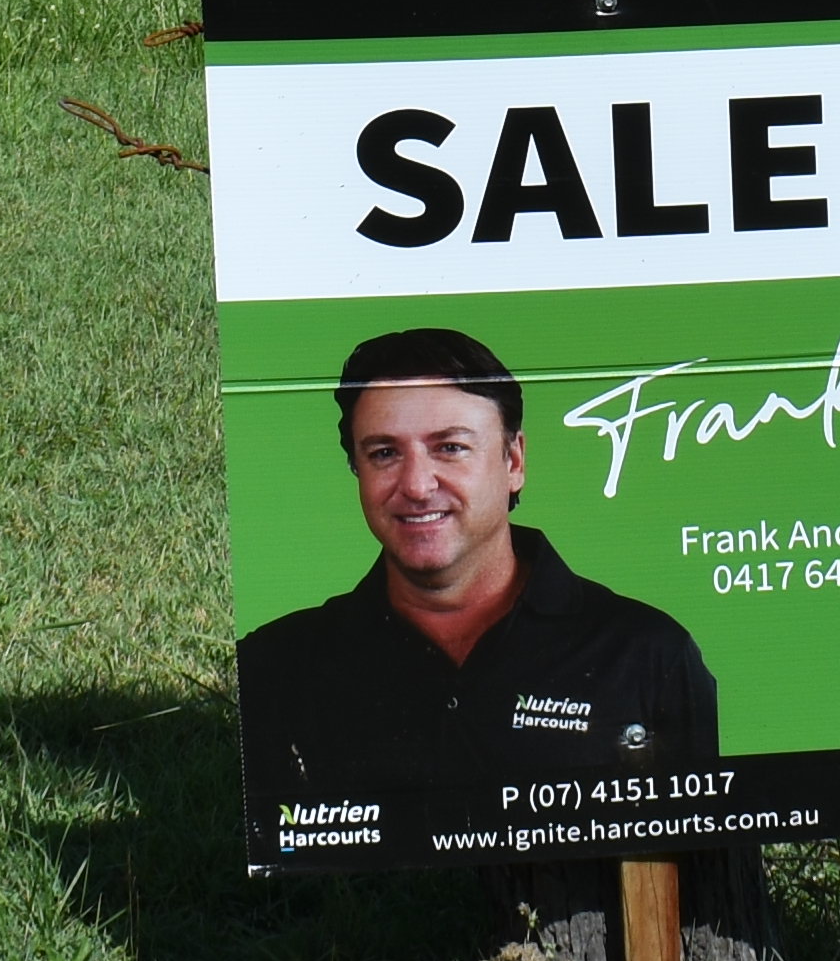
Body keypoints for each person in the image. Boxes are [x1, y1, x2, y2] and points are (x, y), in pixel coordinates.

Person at [234, 327, 719, 853]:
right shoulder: (274, 667)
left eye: (450, 447)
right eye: (383, 454)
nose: (417, 485)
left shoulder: (646, 655)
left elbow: (716, 886)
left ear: (513, 462)